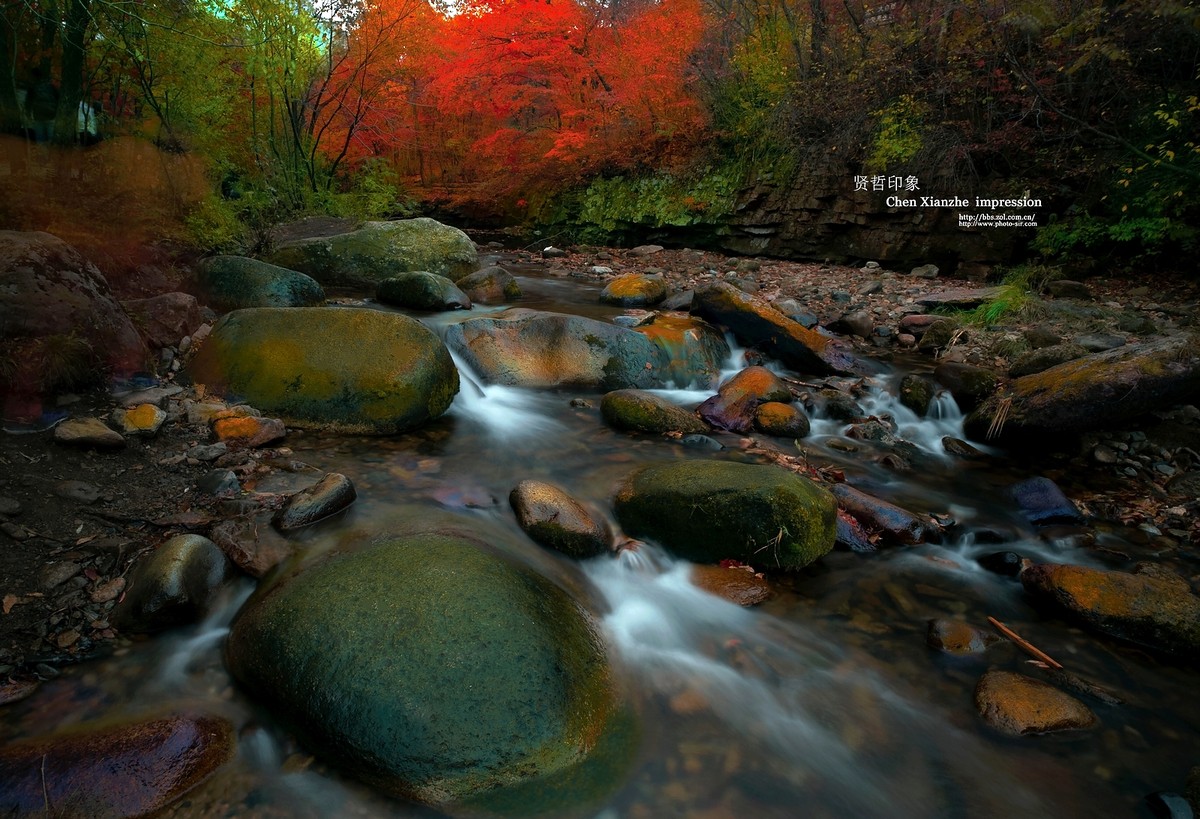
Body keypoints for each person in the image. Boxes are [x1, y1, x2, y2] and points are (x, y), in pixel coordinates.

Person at [26, 68, 58, 143]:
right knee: (51, 138)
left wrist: (28, 115)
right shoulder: (50, 86)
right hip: (51, 115)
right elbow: (58, 98)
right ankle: (51, 153)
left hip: (38, 116)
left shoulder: (32, 87)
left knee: (40, 139)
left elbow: (28, 103)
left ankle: (43, 154)